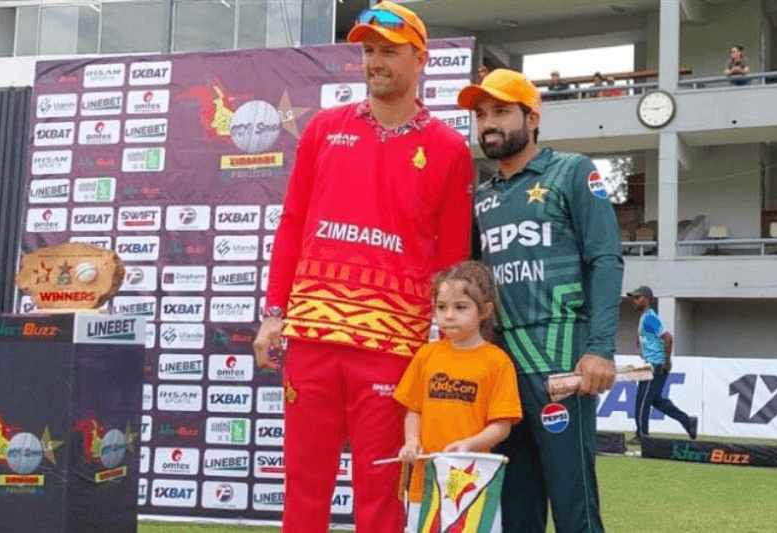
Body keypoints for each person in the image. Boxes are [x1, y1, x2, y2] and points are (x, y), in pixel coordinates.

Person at [252, 2, 474, 532]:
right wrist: (272, 312)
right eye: (369, 51)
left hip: (392, 347)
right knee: (304, 488)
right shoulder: (325, 129)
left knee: (380, 497)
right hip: (311, 339)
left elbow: (451, 260)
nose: (375, 62)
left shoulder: (448, 148)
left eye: (389, 52)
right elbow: (292, 224)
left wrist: (441, 342)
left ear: (420, 59)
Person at [458, 69, 624, 533]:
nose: (488, 123)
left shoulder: (572, 171)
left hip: (561, 360)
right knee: (516, 507)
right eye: (481, 114)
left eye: (501, 112)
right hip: (502, 367)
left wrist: (600, 348)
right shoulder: (482, 197)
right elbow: (472, 285)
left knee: (575, 505)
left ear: (532, 117)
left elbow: (606, 260)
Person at [394, 261, 522, 532]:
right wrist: (412, 441)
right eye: (442, 307)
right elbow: (413, 410)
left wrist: (468, 445)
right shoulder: (426, 356)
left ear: (484, 310)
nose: (449, 316)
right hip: (424, 487)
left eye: (460, 307)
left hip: (472, 486)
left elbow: (502, 426)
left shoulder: (497, 362)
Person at [627, 285, 698, 445]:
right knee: (656, 400)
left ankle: (642, 435)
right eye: (634, 298)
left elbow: (668, 338)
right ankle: (687, 421)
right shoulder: (645, 317)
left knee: (642, 401)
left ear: (648, 299)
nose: (634, 301)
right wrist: (638, 346)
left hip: (655, 364)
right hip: (655, 363)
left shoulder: (650, 317)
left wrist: (667, 360)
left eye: (638, 298)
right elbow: (646, 337)